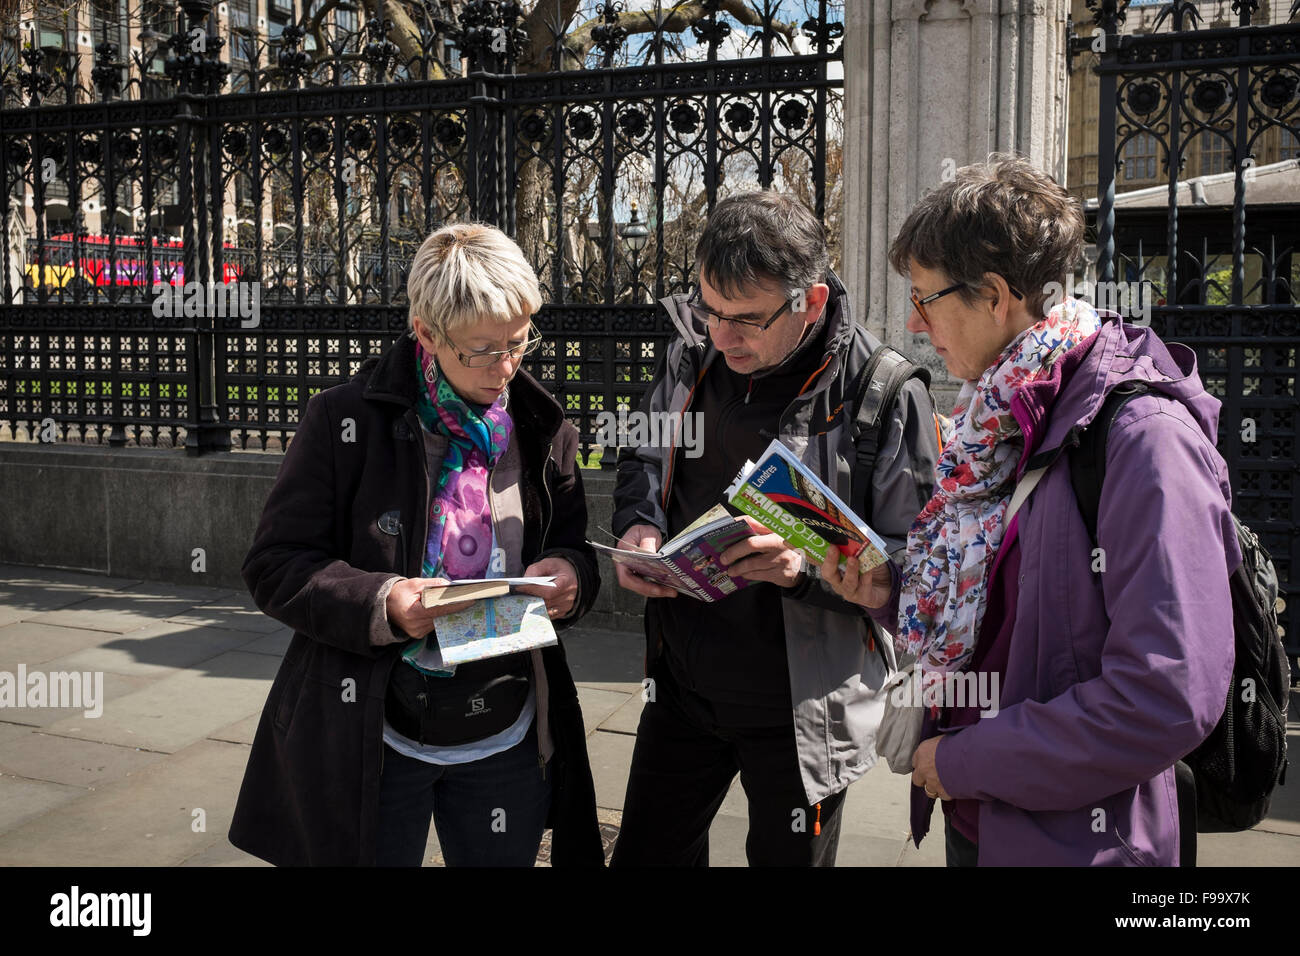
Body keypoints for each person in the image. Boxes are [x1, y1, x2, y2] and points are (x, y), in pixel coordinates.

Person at [822, 155, 1237, 866]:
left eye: (926, 299)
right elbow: (1009, 611)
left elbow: (1165, 693)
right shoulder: (1002, 411)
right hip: (983, 820)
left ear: (994, 295)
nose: (916, 325)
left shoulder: (1140, 438)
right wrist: (891, 593)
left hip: (1081, 841)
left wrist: (968, 761)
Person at [228, 223, 604, 867]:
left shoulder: (543, 429)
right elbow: (275, 565)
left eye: (518, 342)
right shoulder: (344, 421)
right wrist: (384, 601)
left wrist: (572, 574)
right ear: (426, 334)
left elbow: (574, 548)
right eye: (483, 350)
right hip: (374, 733)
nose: (506, 367)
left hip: (506, 729)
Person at [609, 190, 942, 866]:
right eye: (710, 310)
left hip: (802, 713)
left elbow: (921, 574)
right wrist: (637, 526)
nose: (721, 335)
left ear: (811, 303)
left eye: (746, 320)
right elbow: (641, 455)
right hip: (681, 687)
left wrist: (808, 570)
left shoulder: (884, 392)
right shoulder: (691, 352)